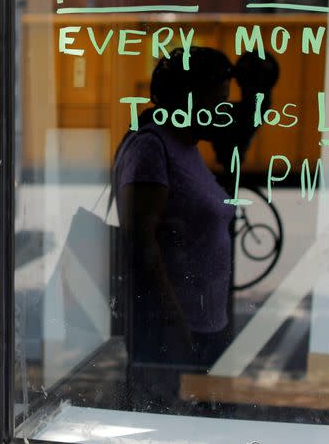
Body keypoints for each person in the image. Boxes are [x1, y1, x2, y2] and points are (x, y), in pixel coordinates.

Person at [114, 47, 279, 412]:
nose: (223, 110)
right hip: (173, 336)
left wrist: (259, 91)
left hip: (200, 328)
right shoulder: (151, 148)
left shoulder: (186, 144)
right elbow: (141, 246)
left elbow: (239, 127)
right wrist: (176, 328)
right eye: (216, 101)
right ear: (186, 100)